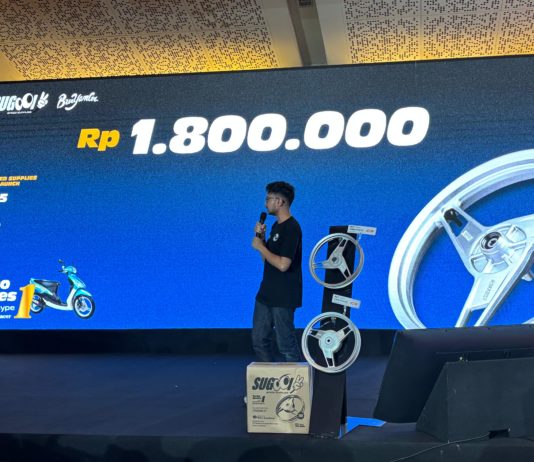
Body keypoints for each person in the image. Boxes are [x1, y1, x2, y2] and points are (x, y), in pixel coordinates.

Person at [251, 181, 302, 362]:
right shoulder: (275, 226)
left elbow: (283, 265)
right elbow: (267, 261)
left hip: (284, 295)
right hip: (266, 292)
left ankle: (295, 379)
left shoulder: (292, 228)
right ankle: (270, 378)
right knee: (259, 340)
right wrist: (262, 240)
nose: (265, 203)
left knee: (285, 344)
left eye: (268, 199)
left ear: (280, 202)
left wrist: (260, 247)